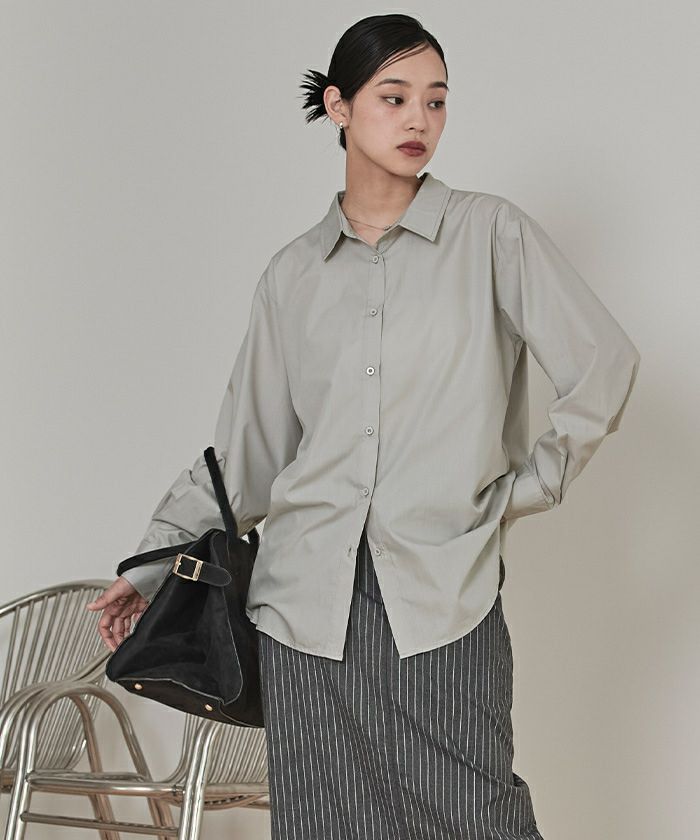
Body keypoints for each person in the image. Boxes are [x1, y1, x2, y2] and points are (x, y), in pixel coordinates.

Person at [87, 13, 640, 839]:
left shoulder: (490, 234)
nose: (420, 119)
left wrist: (521, 490)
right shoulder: (293, 275)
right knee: (324, 823)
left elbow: (604, 365)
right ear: (340, 107)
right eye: (394, 97)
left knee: (475, 816)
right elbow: (248, 454)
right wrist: (158, 559)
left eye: (436, 100)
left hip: (442, 595)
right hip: (301, 608)